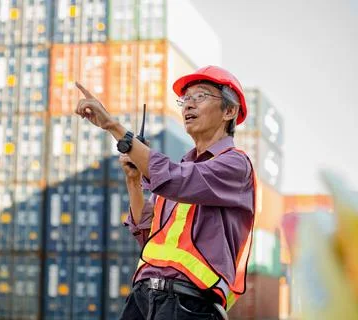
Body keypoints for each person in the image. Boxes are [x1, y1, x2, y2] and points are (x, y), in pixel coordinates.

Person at [75, 65, 255, 320]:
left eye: (200, 96)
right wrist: (134, 180)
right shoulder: (180, 168)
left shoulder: (235, 165)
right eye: (185, 99)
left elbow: (178, 181)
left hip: (189, 304)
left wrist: (113, 126)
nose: (188, 106)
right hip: (143, 299)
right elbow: (147, 233)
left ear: (229, 110)